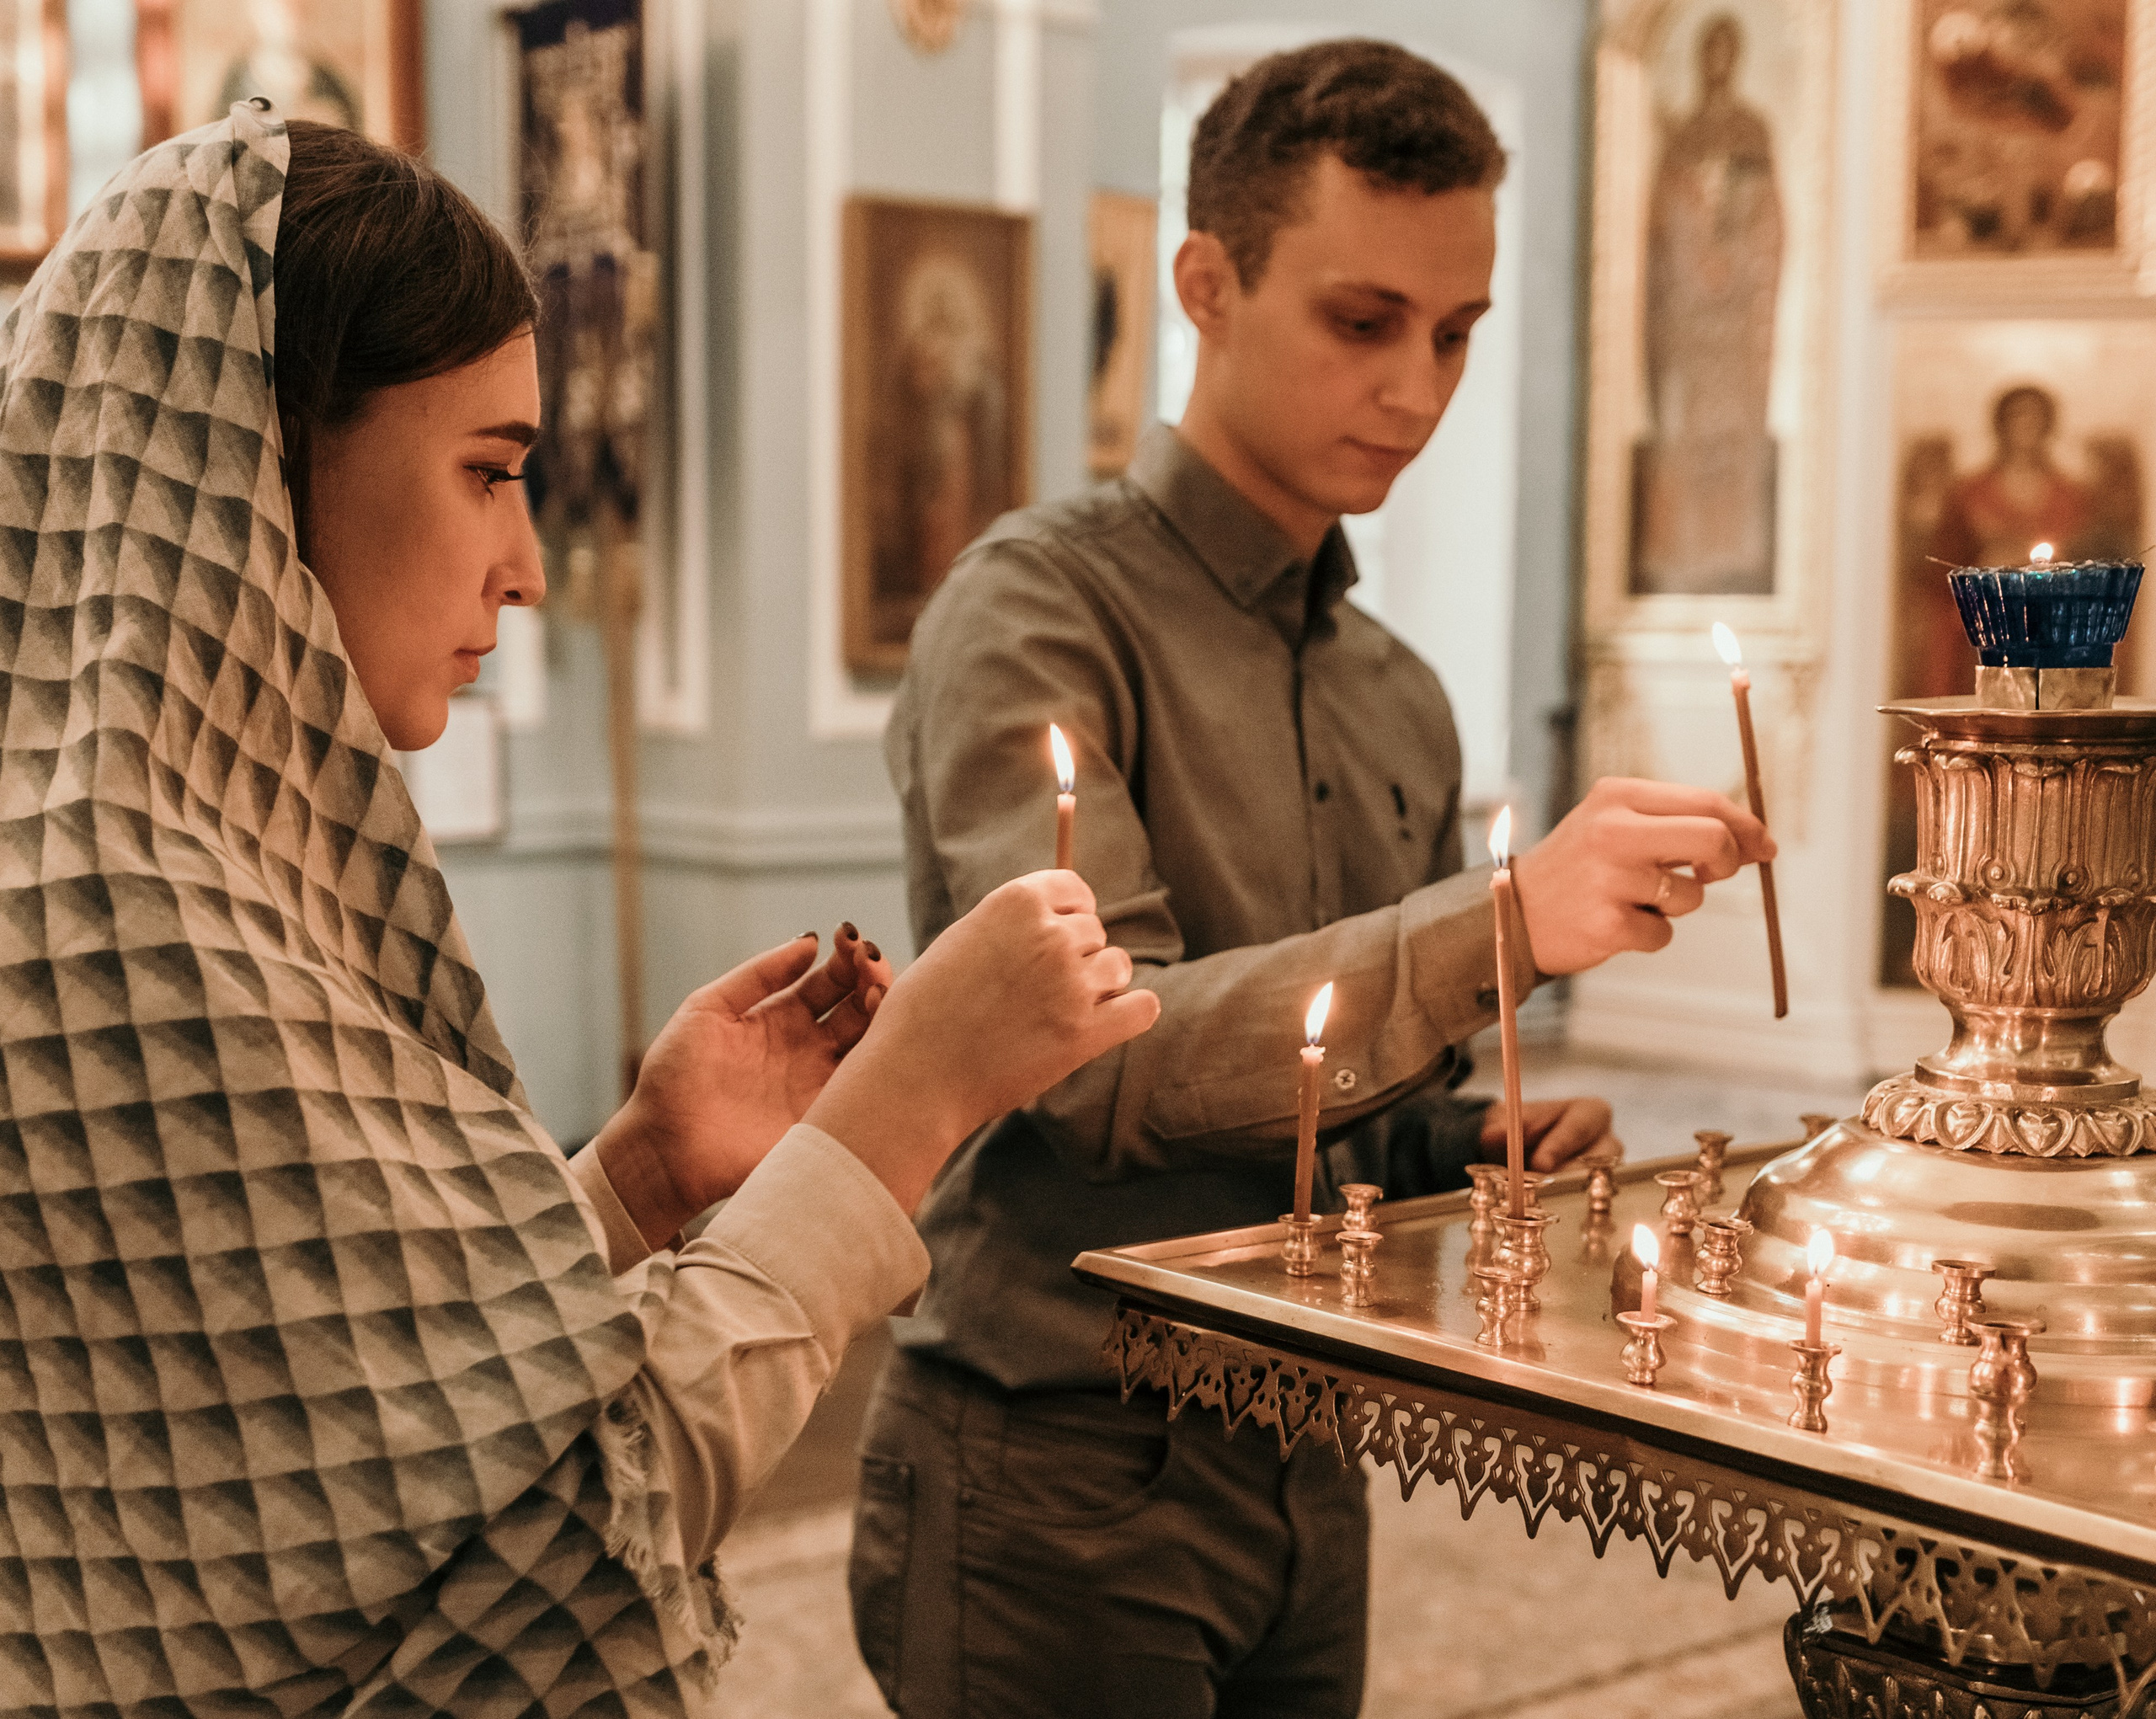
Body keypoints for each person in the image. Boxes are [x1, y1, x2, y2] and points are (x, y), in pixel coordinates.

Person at [0, 105, 1156, 1714]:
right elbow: (562, 1541)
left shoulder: (157, 843)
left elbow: (367, 1446)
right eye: (486, 473)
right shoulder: (127, 915)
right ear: (256, 466)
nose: (527, 564)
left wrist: (634, 1174)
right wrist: (910, 1106)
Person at [851, 40, 1774, 1718]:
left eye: (1455, 333)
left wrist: (1456, 1138)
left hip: (1307, 1451)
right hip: (1054, 1463)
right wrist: (1495, 930)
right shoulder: (1038, 612)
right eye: (1362, 324)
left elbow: (1304, 1117)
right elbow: (1089, 1073)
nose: (1418, 389)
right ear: (1205, 284)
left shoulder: (1395, 692)